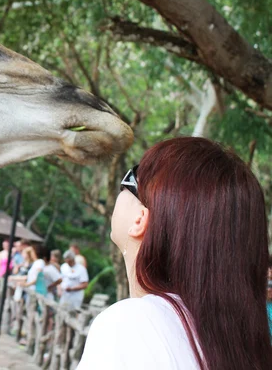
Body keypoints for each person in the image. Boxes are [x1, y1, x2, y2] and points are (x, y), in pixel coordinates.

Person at [78, 137, 272, 370]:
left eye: (129, 180)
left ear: (140, 219)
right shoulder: (242, 340)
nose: (121, 188)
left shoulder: (131, 325)